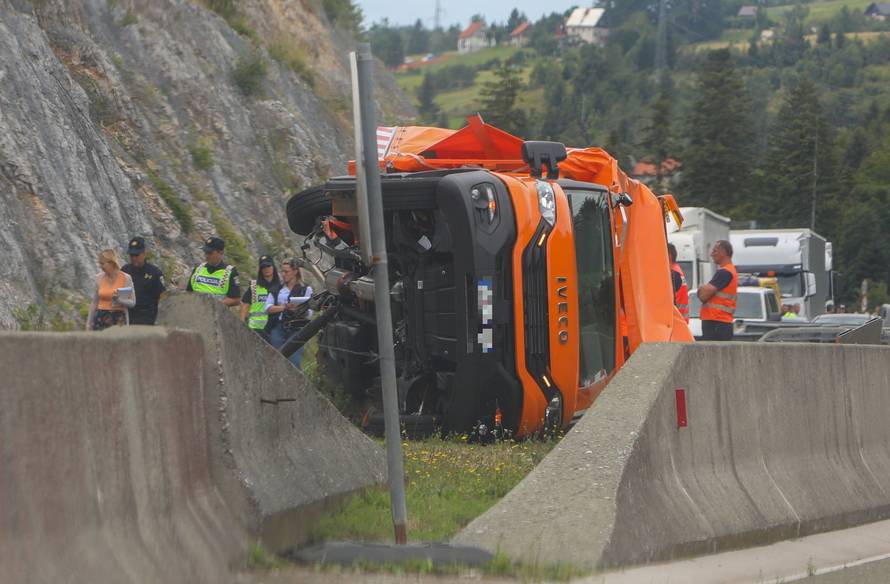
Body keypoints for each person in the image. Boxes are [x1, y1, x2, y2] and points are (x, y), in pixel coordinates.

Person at [265, 258, 313, 368]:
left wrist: (300, 311)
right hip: (279, 326)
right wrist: (284, 308)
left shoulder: (305, 289)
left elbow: (310, 313)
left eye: (286, 271)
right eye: (282, 271)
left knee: (294, 360)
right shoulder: (277, 289)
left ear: (295, 272)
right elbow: (267, 307)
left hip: (297, 328)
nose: (283, 274)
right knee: (276, 355)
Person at [697, 240, 738, 341]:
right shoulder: (727, 271)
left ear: (723, 253)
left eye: (714, 251)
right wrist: (703, 289)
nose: (711, 254)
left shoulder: (724, 272)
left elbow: (703, 296)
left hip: (717, 322)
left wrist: (701, 289)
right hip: (719, 322)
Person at [86, 249, 136, 331]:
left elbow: (132, 303)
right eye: (100, 263)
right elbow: (94, 303)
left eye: (102, 264)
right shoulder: (99, 278)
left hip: (119, 319)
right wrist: (88, 324)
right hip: (100, 318)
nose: (100, 266)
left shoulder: (126, 278)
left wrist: (119, 300)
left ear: (111, 263)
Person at [121, 236, 166, 325]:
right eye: (131, 255)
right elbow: (121, 294)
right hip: (128, 316)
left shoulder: (154, 273)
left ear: (144, 254)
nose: (134, 258)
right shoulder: (125, 270)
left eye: (137, 255)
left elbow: (163, 297)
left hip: (147, 318)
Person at [186, 236, 241, 306]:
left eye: (210, 253)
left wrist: (214, 305)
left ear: (220, 252)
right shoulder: (197, 269)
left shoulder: (230, 272)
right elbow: (188, 293)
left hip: (214, 314)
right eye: (205, 252)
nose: (206, 255)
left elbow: (236, 300)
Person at [240, 255, 280, 339]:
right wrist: (242, 324)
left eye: (268, 266)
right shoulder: (254, 286)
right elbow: (245, 306)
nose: (266, 269)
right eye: (263, 267)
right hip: (254, 329)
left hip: (273, 330)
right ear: (260, 270)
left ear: (273, 267)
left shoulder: (280, 286)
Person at [668, 243, 689, 323]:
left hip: (676, 322)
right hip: (679, 321)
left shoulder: (673, 274)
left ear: (669, 255)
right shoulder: (676, 271)